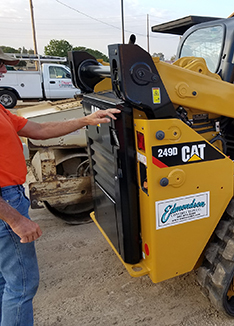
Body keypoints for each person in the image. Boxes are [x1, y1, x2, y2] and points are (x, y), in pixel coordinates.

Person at [0, 48, 120, 326]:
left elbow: (38, 131)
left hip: (11, 197)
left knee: (5, 281)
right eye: (0, 65)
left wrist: (85, 120)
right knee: (22, 285)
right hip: (5, 204)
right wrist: (15, 219)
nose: (4, 71)